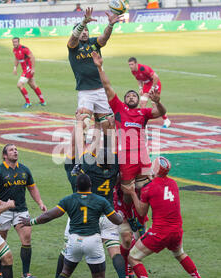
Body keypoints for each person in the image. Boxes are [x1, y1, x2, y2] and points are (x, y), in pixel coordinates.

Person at [47, 117, 129, 278]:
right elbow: (107, 149)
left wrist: (85, 124)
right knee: (111, 249)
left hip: (82, 213)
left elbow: (81, 146)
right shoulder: (114, 166)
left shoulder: (85, 170)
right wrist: (106, 126)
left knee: (67, 251)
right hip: (107, 211)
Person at [92, 50, 166, 224]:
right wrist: (100, 67)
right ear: (124, 100)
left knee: (146, 187)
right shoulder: (119, 108)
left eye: (134, 95)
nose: (131, 97)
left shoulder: (143, 112)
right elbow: (108, 87)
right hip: (126, 156)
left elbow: (161, 112)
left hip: (142, 154)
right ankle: (130, 214)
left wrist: (158, 101)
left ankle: (143, 219)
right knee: (127, 190)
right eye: (128, 96)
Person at [20, 174, 124, 278]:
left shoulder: (68, 200)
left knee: (65, 272)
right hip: (93, 241)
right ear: (91, 185)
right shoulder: (100, 201)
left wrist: (31, 222)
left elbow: (49, 216)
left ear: (76, 186)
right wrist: (121, 216)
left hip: (75, 241)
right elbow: (117, 220)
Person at [122, 156, 212, 278]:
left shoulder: (148, 189)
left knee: (133, 257)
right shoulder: (174, 184)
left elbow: (141, 212)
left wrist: (133, 193)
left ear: (155, 169)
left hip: (159, 232)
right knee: (180, 254)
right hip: (176, 230)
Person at [0, 144, 47, 278]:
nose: (15, 152)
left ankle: (26, 273)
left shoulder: (24, 170)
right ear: (4, 155)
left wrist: (40, 202)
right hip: (3, 211)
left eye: (16, 150)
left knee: (26, 238)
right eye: (11, 150)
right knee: (0, 241)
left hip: (21, 210)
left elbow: (32, 188)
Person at [67, 7, 122, 148]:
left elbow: (104, 38)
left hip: (101, 90)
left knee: (108, 124)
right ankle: (80, 159)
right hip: (85, 92)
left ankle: (110, 158)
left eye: (86, 30)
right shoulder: (73, 47)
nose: (85, 32)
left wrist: (110, 25)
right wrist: (83, 22)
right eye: (82, 30)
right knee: (83, 122)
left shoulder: (93, 43)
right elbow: (73, 38)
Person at [128, 57, 171, 128]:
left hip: (154, 83)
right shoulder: (133, 71)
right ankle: (143, 123)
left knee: (155, 104)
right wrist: (140, 88)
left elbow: (156, 77)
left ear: (136, 63)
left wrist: (153, 88)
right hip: (147, 84)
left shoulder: (143, 69)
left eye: (132, 64)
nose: (130, 66)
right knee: (142, 103)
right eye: (129, 65)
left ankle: (166, 120)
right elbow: (138, 79)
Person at [12, 37, 46, 109]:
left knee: (19, 85)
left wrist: (33, 69)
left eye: (15, 42)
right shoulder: (14, 50)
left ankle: (28, 102)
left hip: (28, 69)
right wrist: (15, 68)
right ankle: (43, 101)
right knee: (33, 85)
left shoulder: (24, 49)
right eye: (13, 42)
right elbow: (16, 58)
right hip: (25, 70)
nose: (14, 43)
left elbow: (32, 57)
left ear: (19, 42)